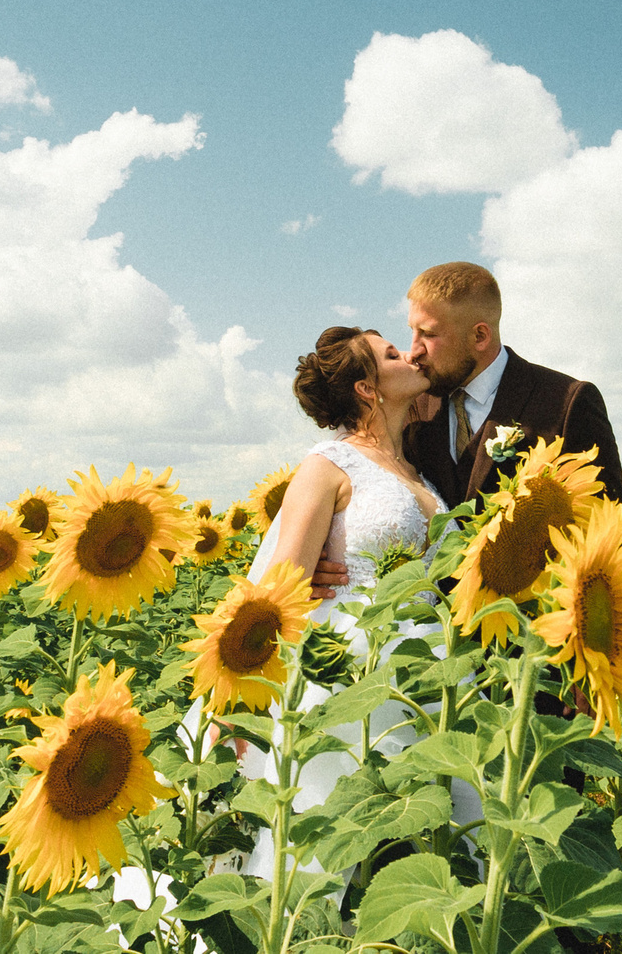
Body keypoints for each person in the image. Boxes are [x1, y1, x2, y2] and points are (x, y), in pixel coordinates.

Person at [233, 326, 463, 882]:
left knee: (425, 839)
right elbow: (278, 585)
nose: (408, 354)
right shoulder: (328, 464)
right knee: (333, 838)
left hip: (427, 675)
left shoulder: (418, 470)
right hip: (350, 671)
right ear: (367, 388)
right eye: (390, 354)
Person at [398, 261, 622, 507]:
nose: (414, 350)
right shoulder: (413, 404)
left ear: (480, 336)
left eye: (429, 334)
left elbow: (607, 516)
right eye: (412, 331)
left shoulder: (567, 402)